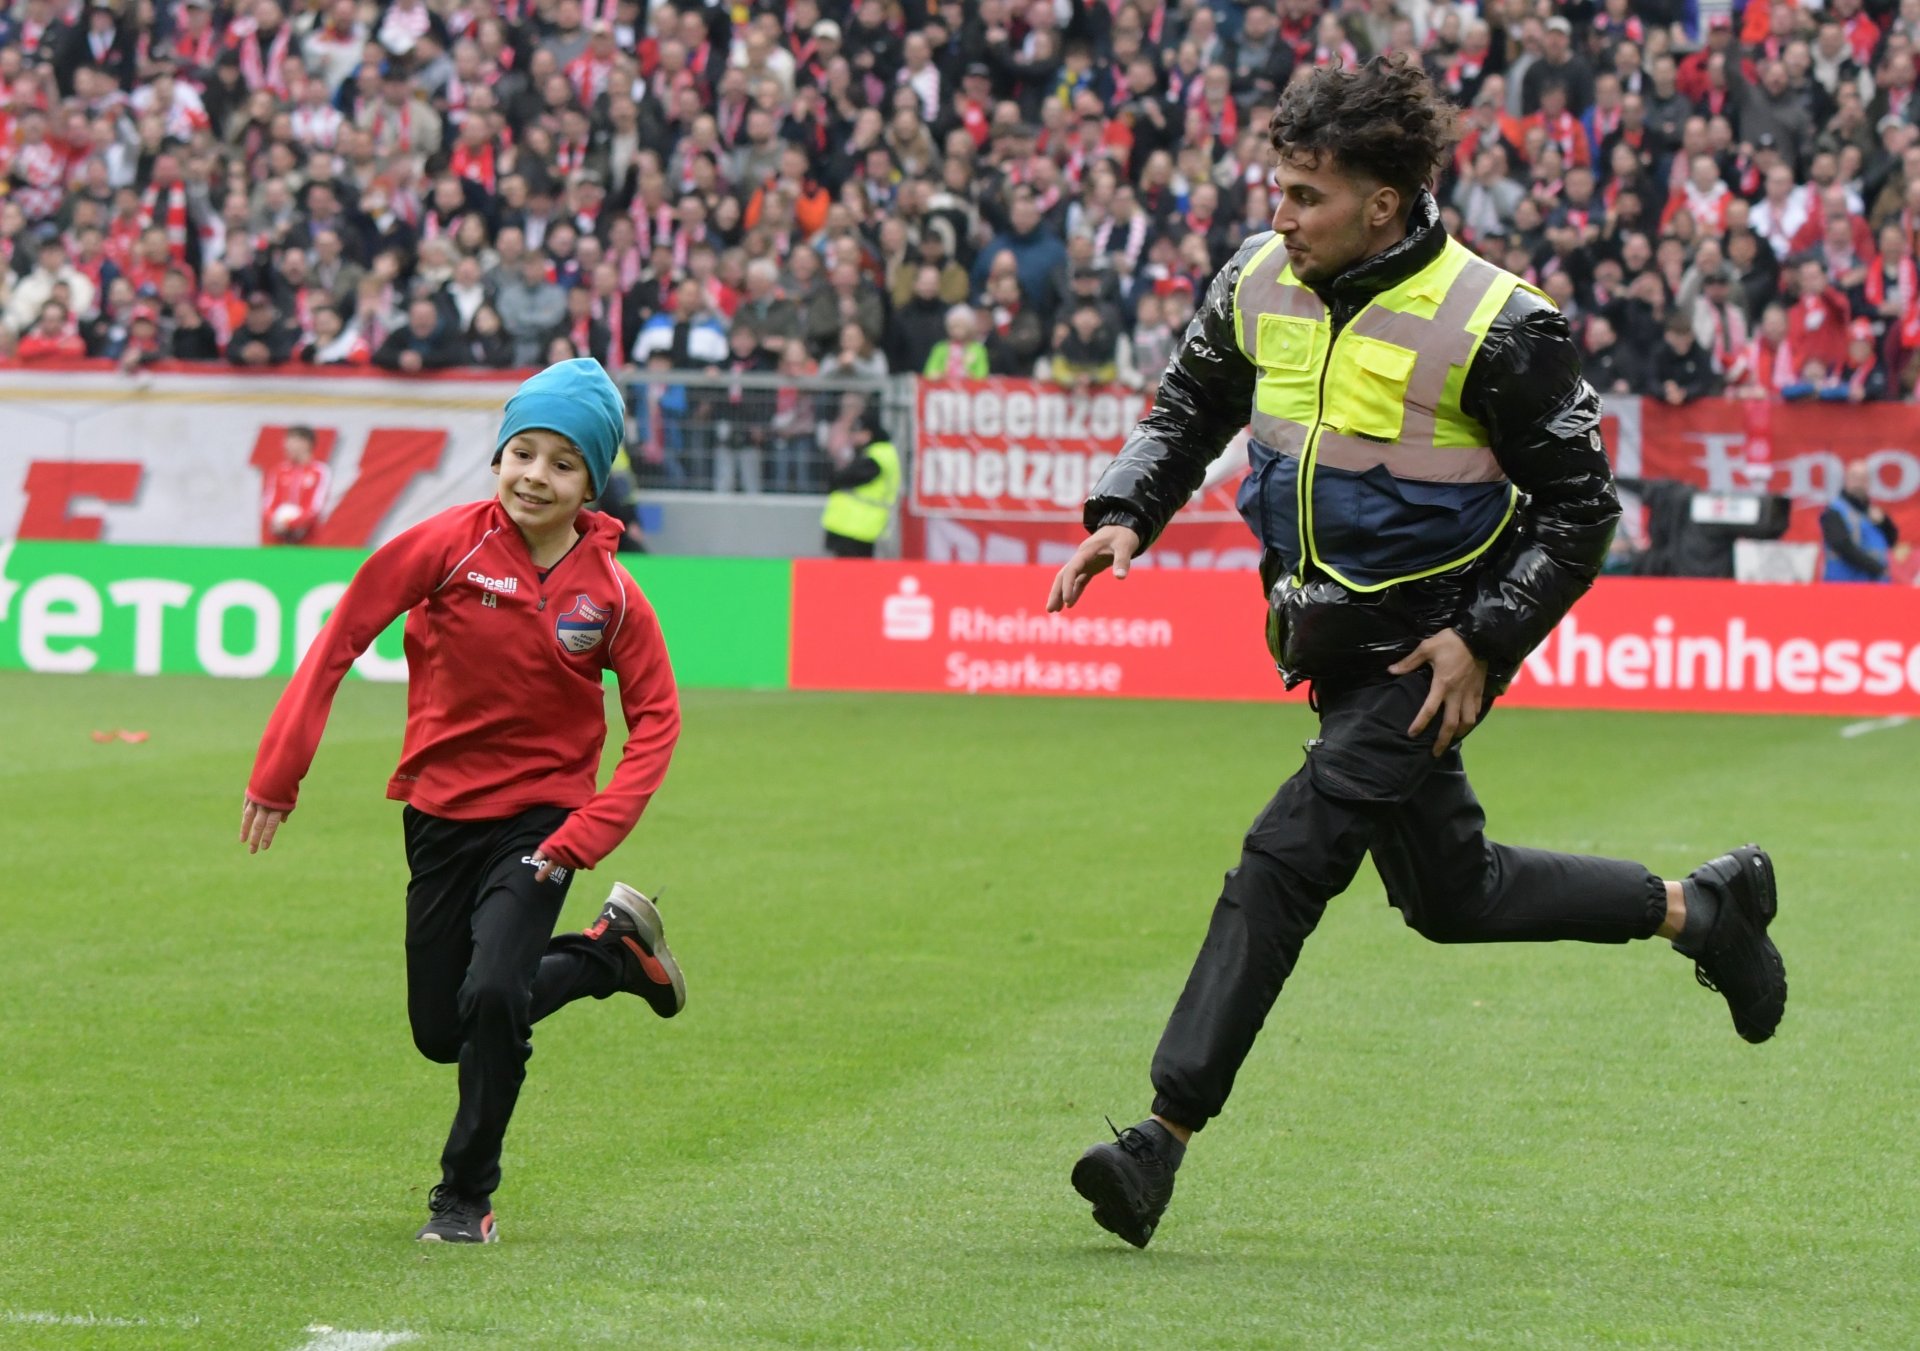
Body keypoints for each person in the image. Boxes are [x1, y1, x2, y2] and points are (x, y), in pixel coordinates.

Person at [1048, 57, 1788, 1251]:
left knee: (1285, 858)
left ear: (1382, 201)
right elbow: (1188, 410)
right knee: (1456, 896)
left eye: (1305, 195)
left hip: (1426, 657)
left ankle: (1158, 1141)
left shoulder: (1503, 322)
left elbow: (1581, 511)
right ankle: (1701, 910)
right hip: (1329, 648)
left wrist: (1483, 641)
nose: (1279, 215)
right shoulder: (1257, 278)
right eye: (1278, 189)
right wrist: (1125, 508)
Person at [239, 359, 685, 1244]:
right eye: (523, 452)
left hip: (544, 825)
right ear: (498, 457)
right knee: (444, 1029)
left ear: (590, 482)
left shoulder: (614, 595)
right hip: (440, 818)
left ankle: (462, 1196)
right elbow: (341, 638)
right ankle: (609, 956)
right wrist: (278, 773)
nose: (536, 475)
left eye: (563, 463)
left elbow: (657, 723)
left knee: (491, 994)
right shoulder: (446, 545)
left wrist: (585, 832)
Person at [820, 405, 901, 557]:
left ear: (867, 434)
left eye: (855, 433)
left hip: (856, 526)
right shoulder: (878, 452)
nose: (852, 437)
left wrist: (837, 476)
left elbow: (848, 477)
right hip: (853, 525)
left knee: (852, 573)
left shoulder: (877, 455)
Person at [1821, 460, 1903, 581]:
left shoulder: (1874, 512)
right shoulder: (1834, 511)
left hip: (1875, 586)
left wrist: (1884, 522)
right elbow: (1842, 546)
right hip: (1843, 586)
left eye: (1863, 478)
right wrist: (1878, 569)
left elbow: (1892, 541)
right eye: (1855, 477)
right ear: (1845, 481)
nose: (1859, 482)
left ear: (1869, 483)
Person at [260, 425, 331, 544]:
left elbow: (315, 507)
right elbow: (268, 504)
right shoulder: (278, 471)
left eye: (291, 442)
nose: (286, 446)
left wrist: (291, 523)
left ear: (305, 443)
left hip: (309, 541)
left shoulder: (319, 471)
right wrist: (277, 521)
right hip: (278, 539)